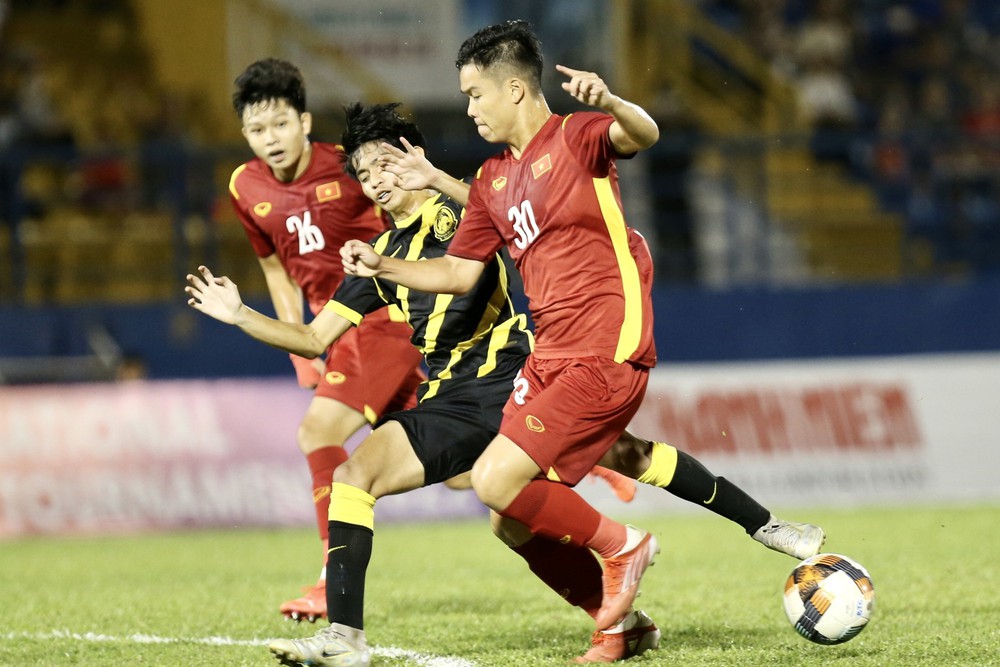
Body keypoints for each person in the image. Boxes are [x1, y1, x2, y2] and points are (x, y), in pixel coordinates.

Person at [192, 101, 824, 665]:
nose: (379, 181)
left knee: (613, 456)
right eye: (365, 174)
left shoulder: (452, 213)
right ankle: (619, 623)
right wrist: (240, 314)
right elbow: (313, 338)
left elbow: (495, 221)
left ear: (415, 157)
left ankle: (740, 530)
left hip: (509, 375)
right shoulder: (380, 251)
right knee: (450, 498)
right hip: (450, 399)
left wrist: (436, 183)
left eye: (387, 164)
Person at [338, 20, 826, 663]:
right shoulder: (492, 179)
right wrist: (385, 267)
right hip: (547, 357)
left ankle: (626, 546)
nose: (468, 107)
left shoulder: (574, 137)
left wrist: (614, 102)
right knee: (526, 506)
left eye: (474, 94)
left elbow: (642, 134)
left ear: (513, 90)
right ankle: (623, 621)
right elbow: (457, 273)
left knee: (497, 479)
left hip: (605, 346)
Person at [228, 58, 426, 621]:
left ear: (306, 120)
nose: (271, 140)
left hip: (382, 318)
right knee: (461, 469)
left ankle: (326, 578)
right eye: (258, 130)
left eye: (281, 125)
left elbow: (405, 213)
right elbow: (273, 268)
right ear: (245, 135)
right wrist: (300, 349)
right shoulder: (245, 186)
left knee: (318, 432)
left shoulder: (346, 167)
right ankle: (578, 452)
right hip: (331, 333)